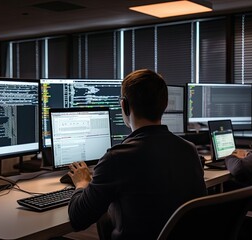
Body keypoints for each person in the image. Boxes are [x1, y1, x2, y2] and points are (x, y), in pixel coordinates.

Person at [66, 69, 207, 240]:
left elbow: (78, 218)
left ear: (124, 105)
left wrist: (82, 183)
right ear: (165, 104)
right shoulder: (189, 149)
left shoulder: (117, 158)